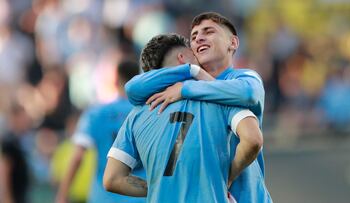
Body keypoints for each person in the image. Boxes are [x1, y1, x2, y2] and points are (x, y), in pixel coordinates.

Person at [124, 12, 272, 202]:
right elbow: (133, 88)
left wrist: (227, 176)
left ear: (233, 43)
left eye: (209, 31)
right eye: (193, 37)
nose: (199, 37)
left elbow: (248, 93)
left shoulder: (243, 78)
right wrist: (190, 70)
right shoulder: (188, 87)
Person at [55, 60, 145, 203]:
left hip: (105, 197)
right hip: (140, 197)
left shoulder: (96, 113)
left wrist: (62, 194)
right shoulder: (148, 113)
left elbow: (78, 156)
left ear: (116, 81)